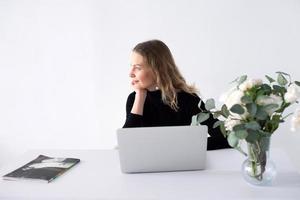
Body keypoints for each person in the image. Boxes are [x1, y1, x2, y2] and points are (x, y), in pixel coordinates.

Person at [123, 39, 230, 150]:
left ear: (157, 70)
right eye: (131, 66)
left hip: (181, 165)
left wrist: (186, 146)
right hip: (145, 166)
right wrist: (140, 96)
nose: (130, 73)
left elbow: (224, 137)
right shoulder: (134, 99)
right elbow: (126, 143)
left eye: (138, 68)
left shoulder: (188, 99)